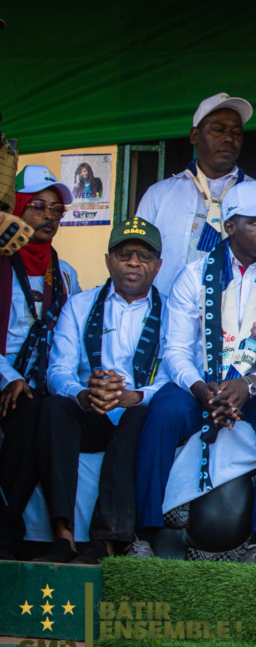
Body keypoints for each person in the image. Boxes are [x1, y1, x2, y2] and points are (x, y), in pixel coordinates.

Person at [134, 181, 256, 564]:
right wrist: (202, 389)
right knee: (164, 410)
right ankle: (145, 533)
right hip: (203, 383)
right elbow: (176, 350)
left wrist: (251, 384)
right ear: (230, 226)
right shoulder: (194, 275)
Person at [34, 219, 168, 564]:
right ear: (109, 260)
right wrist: (82, 394)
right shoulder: (80, 305)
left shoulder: (173, 313)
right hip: (90, 410)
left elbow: (176, 374)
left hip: (137, 411)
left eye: (144, 256)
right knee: (52, 409)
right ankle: (63, 536)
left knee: (140, 416)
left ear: (158, 265)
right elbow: (58, 369)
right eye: (125, 254)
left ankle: (105, 542)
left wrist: (136, 396)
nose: (134, 263)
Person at [136, 92, 256, 293]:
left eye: (237, 133)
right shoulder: (159, 195)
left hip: (239, 317)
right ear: (195, 135)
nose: (229, 138)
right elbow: (137, 257)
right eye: (218, 130)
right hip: (170, 314)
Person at [0, 166, 80, 559]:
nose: (49, 217)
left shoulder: (65, 274)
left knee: (48, 415)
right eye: (37, 207)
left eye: (56, 210)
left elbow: (72, 338)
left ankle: (19, 529)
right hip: (5, 378)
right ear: (16, 209)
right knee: (28, 410)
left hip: (42, 385)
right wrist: (9, 377)